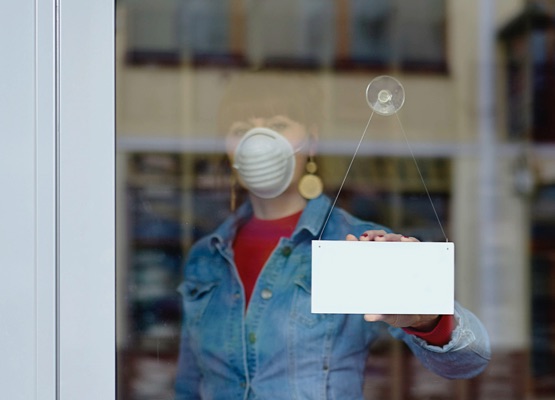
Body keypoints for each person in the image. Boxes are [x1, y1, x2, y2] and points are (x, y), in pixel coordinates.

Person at [174, 72, 490, 399]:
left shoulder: (357, 244)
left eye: (278, 125)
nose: (259, 142)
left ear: (311, 140)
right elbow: (188, 386)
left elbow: (468, 361)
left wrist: (425, 317)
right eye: (241, 130)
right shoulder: (206, 255)